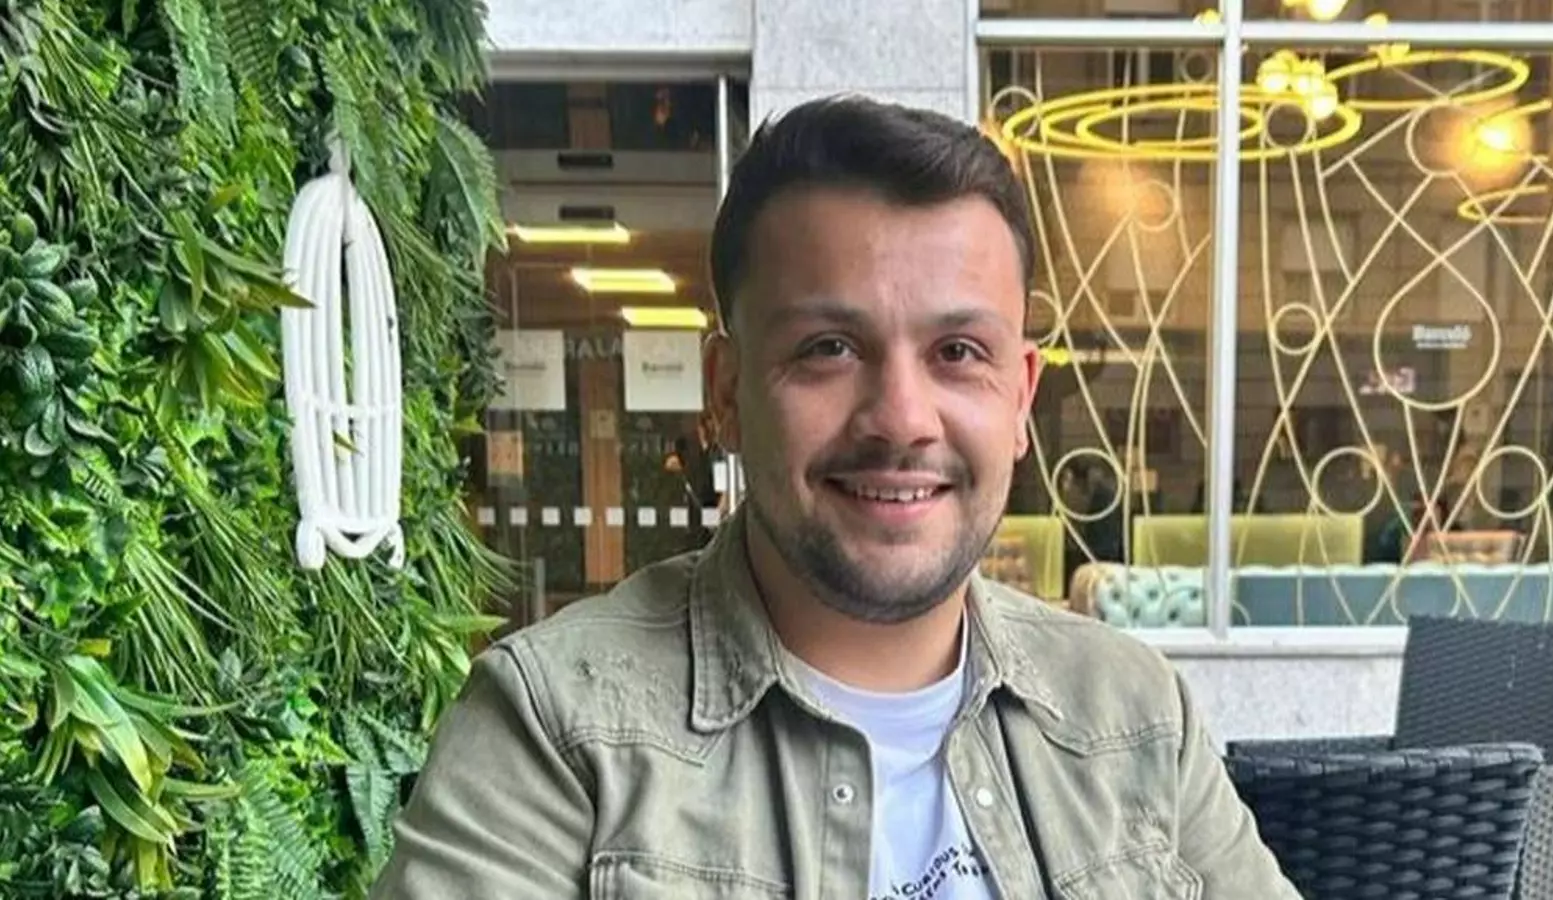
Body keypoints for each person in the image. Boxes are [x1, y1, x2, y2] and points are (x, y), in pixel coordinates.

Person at [371, 94, 1300, 899]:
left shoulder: (1134, 713)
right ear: (726, 394)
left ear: (1020, 398)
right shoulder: (555, 728)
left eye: (958, 353)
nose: (901, 419)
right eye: (829, 349)